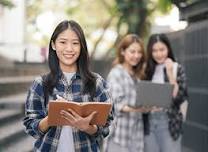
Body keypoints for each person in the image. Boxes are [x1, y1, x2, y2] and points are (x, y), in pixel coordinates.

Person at [23, 20, 113, 152]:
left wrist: (87, 127)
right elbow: (31, 127)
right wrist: (52, 117)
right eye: (63, 42)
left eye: (75, 43)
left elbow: (106, 126)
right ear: (53, 44)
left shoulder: (96, 82)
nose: (69, 49)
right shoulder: (40, 84)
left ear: (81, 46)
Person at [144, 33, 188, 152]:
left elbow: (179, 97)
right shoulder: (147, 70)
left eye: (162, 49)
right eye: (154, 50)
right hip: (149, 122)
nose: (158, 54)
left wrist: (170, 74)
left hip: (169, 122)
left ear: (168, 48)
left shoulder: (176, 68)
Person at [105, 34, 147, 152]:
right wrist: (141, 109)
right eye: (132, 51)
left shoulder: (138, 75)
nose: (137, 55)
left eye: (139, 52)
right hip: (120, 135)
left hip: (136, 134)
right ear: (123, 51)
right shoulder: (116, 73)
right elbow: (119, 105)